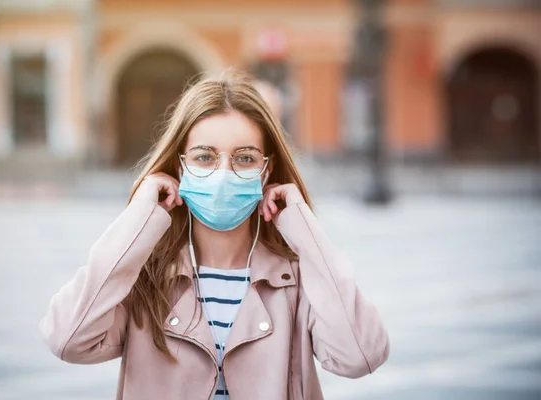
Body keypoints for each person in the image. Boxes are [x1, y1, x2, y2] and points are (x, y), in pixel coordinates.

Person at [39, 70, 390, 400]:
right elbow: (68, 339)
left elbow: (361, 356)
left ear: (266, 172)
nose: (224, 172)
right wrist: (138, 220)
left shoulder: (297, 280)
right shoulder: (144, 277)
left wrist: (304, 230)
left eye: (245, 158)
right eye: (204, 157)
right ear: (180, 167)